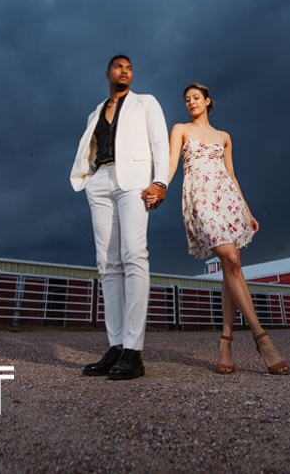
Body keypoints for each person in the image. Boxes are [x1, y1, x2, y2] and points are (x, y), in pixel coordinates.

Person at [156, 83, 289, 375]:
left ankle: (225, 343)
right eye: (187, 99)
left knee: (233, 265)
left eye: (195, 98)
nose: (190, 102)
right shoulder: (180, 129)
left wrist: (247, 210)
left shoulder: (224, 136)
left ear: (207, 101)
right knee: (229, 259)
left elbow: (231, 174)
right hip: (200, 198)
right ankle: (262, 339)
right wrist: (160, 185)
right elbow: (170, 165)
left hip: (228, 199)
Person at [70, 55, 169, 380]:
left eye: (129, 67)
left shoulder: (146, 103)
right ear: (108, 73)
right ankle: (115, 346)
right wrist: (88, 180)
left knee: (134, 256)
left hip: (135, 183)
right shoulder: (94, 112)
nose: (124, 70)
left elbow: (159, 142)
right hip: (100, 181)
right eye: (118, 66)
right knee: (107, 264)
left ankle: (133, 350)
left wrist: (160, 181)